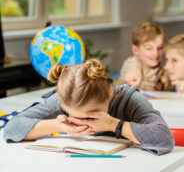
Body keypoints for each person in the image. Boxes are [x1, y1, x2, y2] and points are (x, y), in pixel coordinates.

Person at [4, 59, 174, 155]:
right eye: (75, 116)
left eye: (92, 116)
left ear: (109, 93)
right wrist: (58, 126)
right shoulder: (64, 99)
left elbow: (164, 140)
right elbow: (11, 129)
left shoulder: (129, 99)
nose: (84, 122)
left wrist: (113, 124)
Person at [118, 22, 173, 91]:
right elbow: (132, 68)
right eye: (149, 48)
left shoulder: (163, 73)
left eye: (160, 48)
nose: (155, 53)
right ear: (135, 50)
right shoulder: (132, 62)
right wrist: (133, 75)